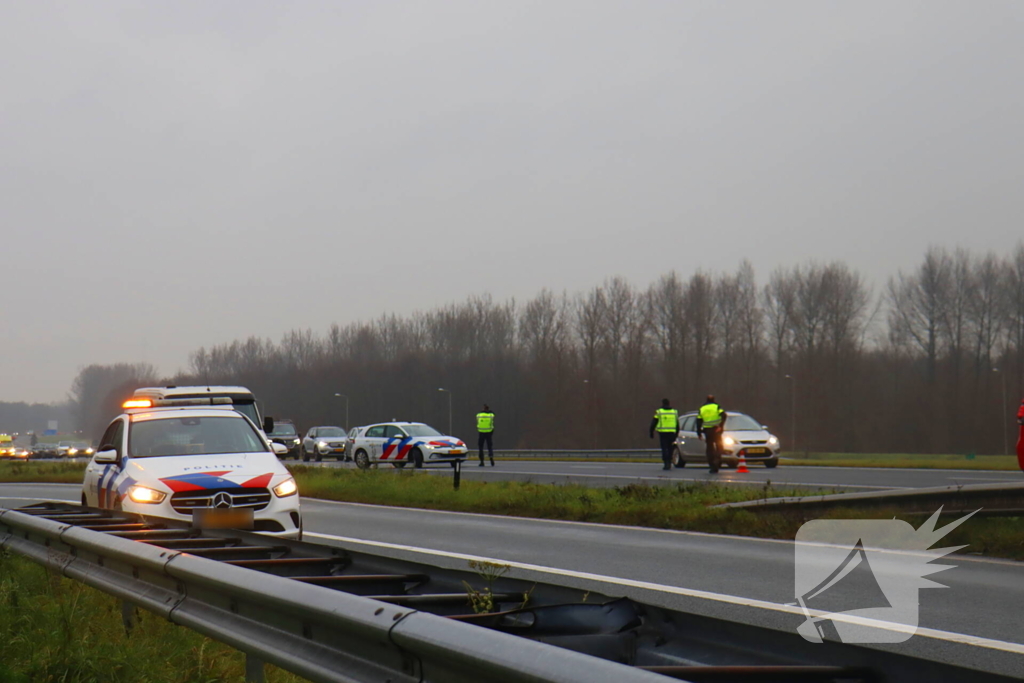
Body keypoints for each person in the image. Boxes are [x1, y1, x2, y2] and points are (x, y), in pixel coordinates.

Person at [695, 394, 727, 473]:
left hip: (707, 431)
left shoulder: (702, 408)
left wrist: (699, 433)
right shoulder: (716, 406)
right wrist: (721, 426)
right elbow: (724, 415)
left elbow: (698, 421)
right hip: (716, 429)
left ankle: (712, 465)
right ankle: (717, 459)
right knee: (719, 446)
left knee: (709, 448)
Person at [649, 398, 680, 471]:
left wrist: (651, 432)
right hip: (672, 433)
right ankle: (669, 461)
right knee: (670, 448)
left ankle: (666, 463)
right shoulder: (674, 412)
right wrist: (677, 433)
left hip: (663, 433)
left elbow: (654, 422)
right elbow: (677, 424)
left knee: (664, 448)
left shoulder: (659, 412)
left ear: (662, 403)